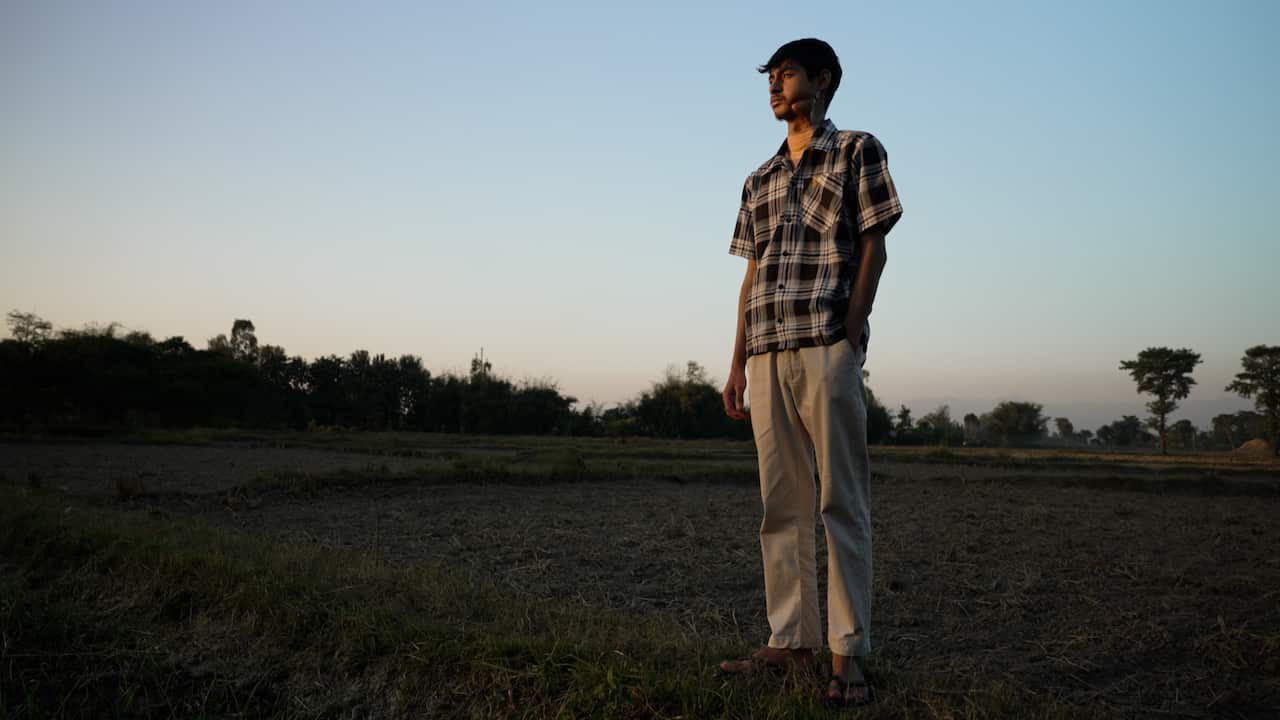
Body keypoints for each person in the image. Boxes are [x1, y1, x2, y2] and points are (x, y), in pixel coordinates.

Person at [717, 38, 903, 707]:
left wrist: (849, 333)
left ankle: (846, 655)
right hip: (765, 353)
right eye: (770, 77)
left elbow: (875, 244)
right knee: (782, 507)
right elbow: (750, 276)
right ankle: (789, 642)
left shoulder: (858, 149)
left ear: (821, 81)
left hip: (825, 346)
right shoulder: (758, 178)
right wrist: (736, 362)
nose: (774, 86)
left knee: (840, 503)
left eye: (786, 74)